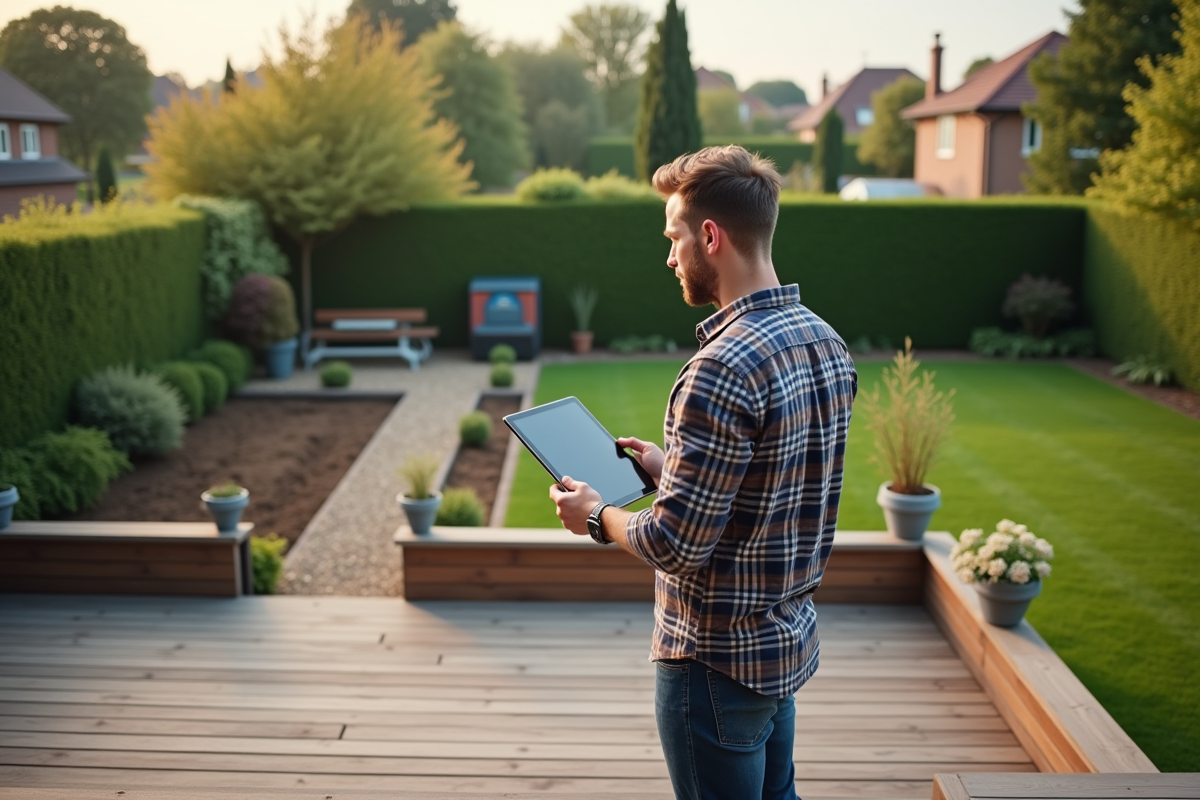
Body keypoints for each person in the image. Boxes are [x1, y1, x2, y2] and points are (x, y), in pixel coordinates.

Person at [550, 145, 858, 800]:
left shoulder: (719, 368)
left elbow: (675, 546)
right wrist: (674, 470)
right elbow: (779, 481)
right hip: (781, 651)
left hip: (712, 665)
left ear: (710, 237)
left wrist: (597, 517)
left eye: (674, 237)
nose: (669, 257)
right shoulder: (824, 340)